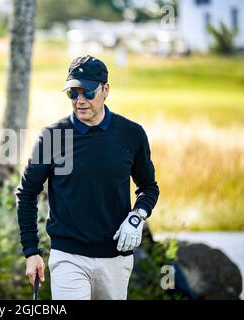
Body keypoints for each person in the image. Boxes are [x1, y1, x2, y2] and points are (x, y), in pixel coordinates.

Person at [16, 55, 159, 300]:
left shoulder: (131, 134)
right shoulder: (52, 137)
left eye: (88, 93)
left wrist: (137, 216)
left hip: (116, 259)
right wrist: (31, 251)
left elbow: (148, 187)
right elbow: (27, 193)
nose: (80, 101)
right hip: (68, 257)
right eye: (73, 94)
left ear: (105, 90)